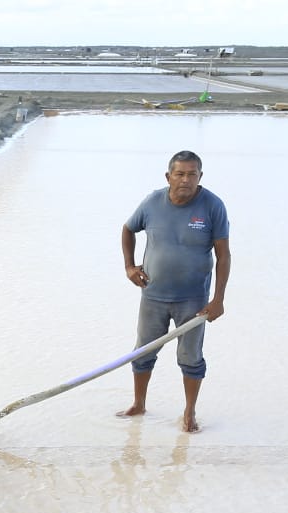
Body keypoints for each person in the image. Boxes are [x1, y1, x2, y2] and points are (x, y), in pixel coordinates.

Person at [119, 149, 231, 433]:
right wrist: (130, 266)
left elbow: (224, 255)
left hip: (193, 300)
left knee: (190, 358)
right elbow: (128, 229)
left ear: (200, 176)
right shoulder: (152, 202)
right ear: (168, 176)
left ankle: (189, 412)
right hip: (153, 295)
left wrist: (218, 299)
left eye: (192, 174)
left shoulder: (212, 206)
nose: (185, 180)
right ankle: (139, 404)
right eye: (179, 174)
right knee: (143, 352)